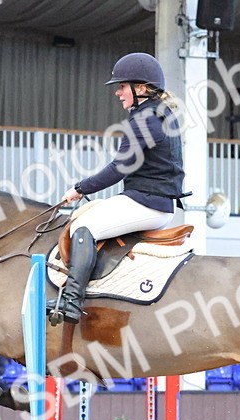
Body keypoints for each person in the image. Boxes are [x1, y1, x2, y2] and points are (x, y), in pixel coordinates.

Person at [48, 52, 187, 325]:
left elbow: (119, 168)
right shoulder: (158, 112)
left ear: (141, 88)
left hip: (148, 203)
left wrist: (79, 188)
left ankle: (72, 301)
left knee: (82, 227)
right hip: (150, 198)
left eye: (122, 87)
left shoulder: (146, 119)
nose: (118, 93)